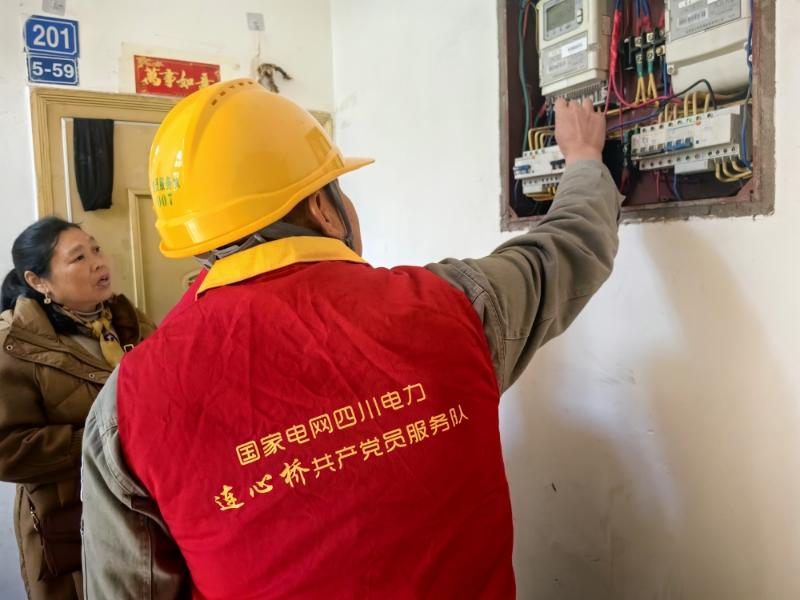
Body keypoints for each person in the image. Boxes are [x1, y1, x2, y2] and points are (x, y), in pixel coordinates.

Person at [81, 79, 622, 598]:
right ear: (323, 208)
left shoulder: (125, 406)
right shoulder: (455, 306)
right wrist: (582, 158)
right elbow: (570, 247)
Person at [0, 217, 155, 599]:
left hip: (146, 509)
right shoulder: (14, 346)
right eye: (79, 257)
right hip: (72, 522)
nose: (98, 262)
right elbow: (7, 450)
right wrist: (108, 442)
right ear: (38, 281)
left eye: (96, 249)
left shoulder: (128, 322)